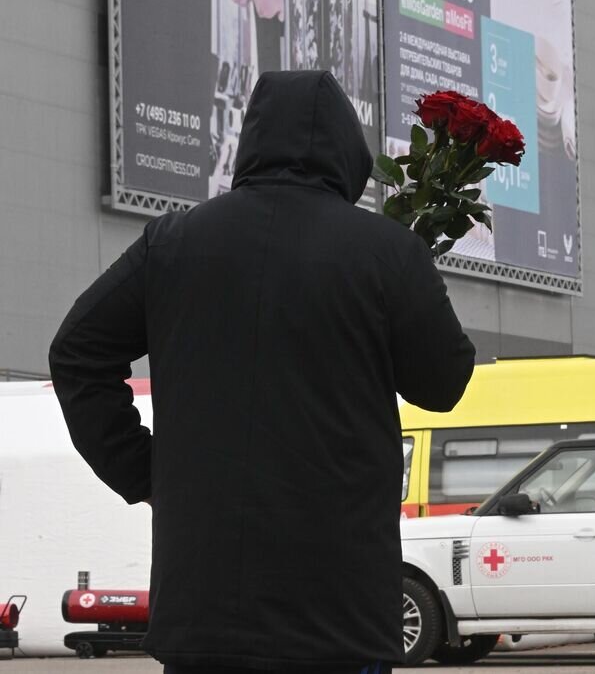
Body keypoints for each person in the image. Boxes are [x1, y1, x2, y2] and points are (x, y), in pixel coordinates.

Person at [49, 71, 475, 672]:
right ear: (349, 152)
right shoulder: (386, 251)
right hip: (339, 607)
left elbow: (76, 353)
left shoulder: (171, 243)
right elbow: (443, 385)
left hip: (204, 607)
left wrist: (144, 473)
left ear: (250, 142)